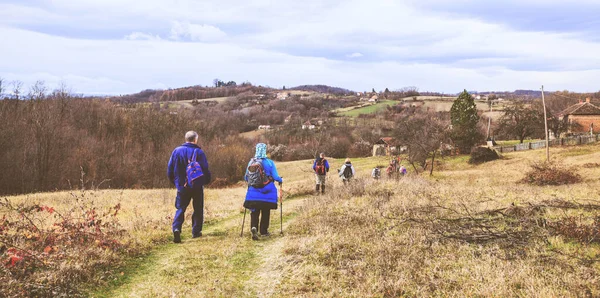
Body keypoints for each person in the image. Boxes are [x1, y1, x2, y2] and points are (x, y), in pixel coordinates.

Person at [167, 131, 211, 243]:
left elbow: (170, 169)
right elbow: (205, 169)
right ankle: (196, 232)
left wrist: (176, 182)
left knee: (180, 208)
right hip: (196, 185)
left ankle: (176, 228)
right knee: (198, 208)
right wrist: (205, 181)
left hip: (182, 186)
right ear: (195, 139)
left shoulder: (176, 151)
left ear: (186, 139)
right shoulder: (199, 152)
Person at [244, 143, 283, 240]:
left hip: (253, 192)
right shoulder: (269, 162)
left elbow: (246, 177)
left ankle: (254, 228)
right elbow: (275, 177)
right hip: (267, 192)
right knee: (266, 211)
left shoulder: (251, 162)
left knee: (254, 211)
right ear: (265, 150)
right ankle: (264, 231)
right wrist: (280, 180)